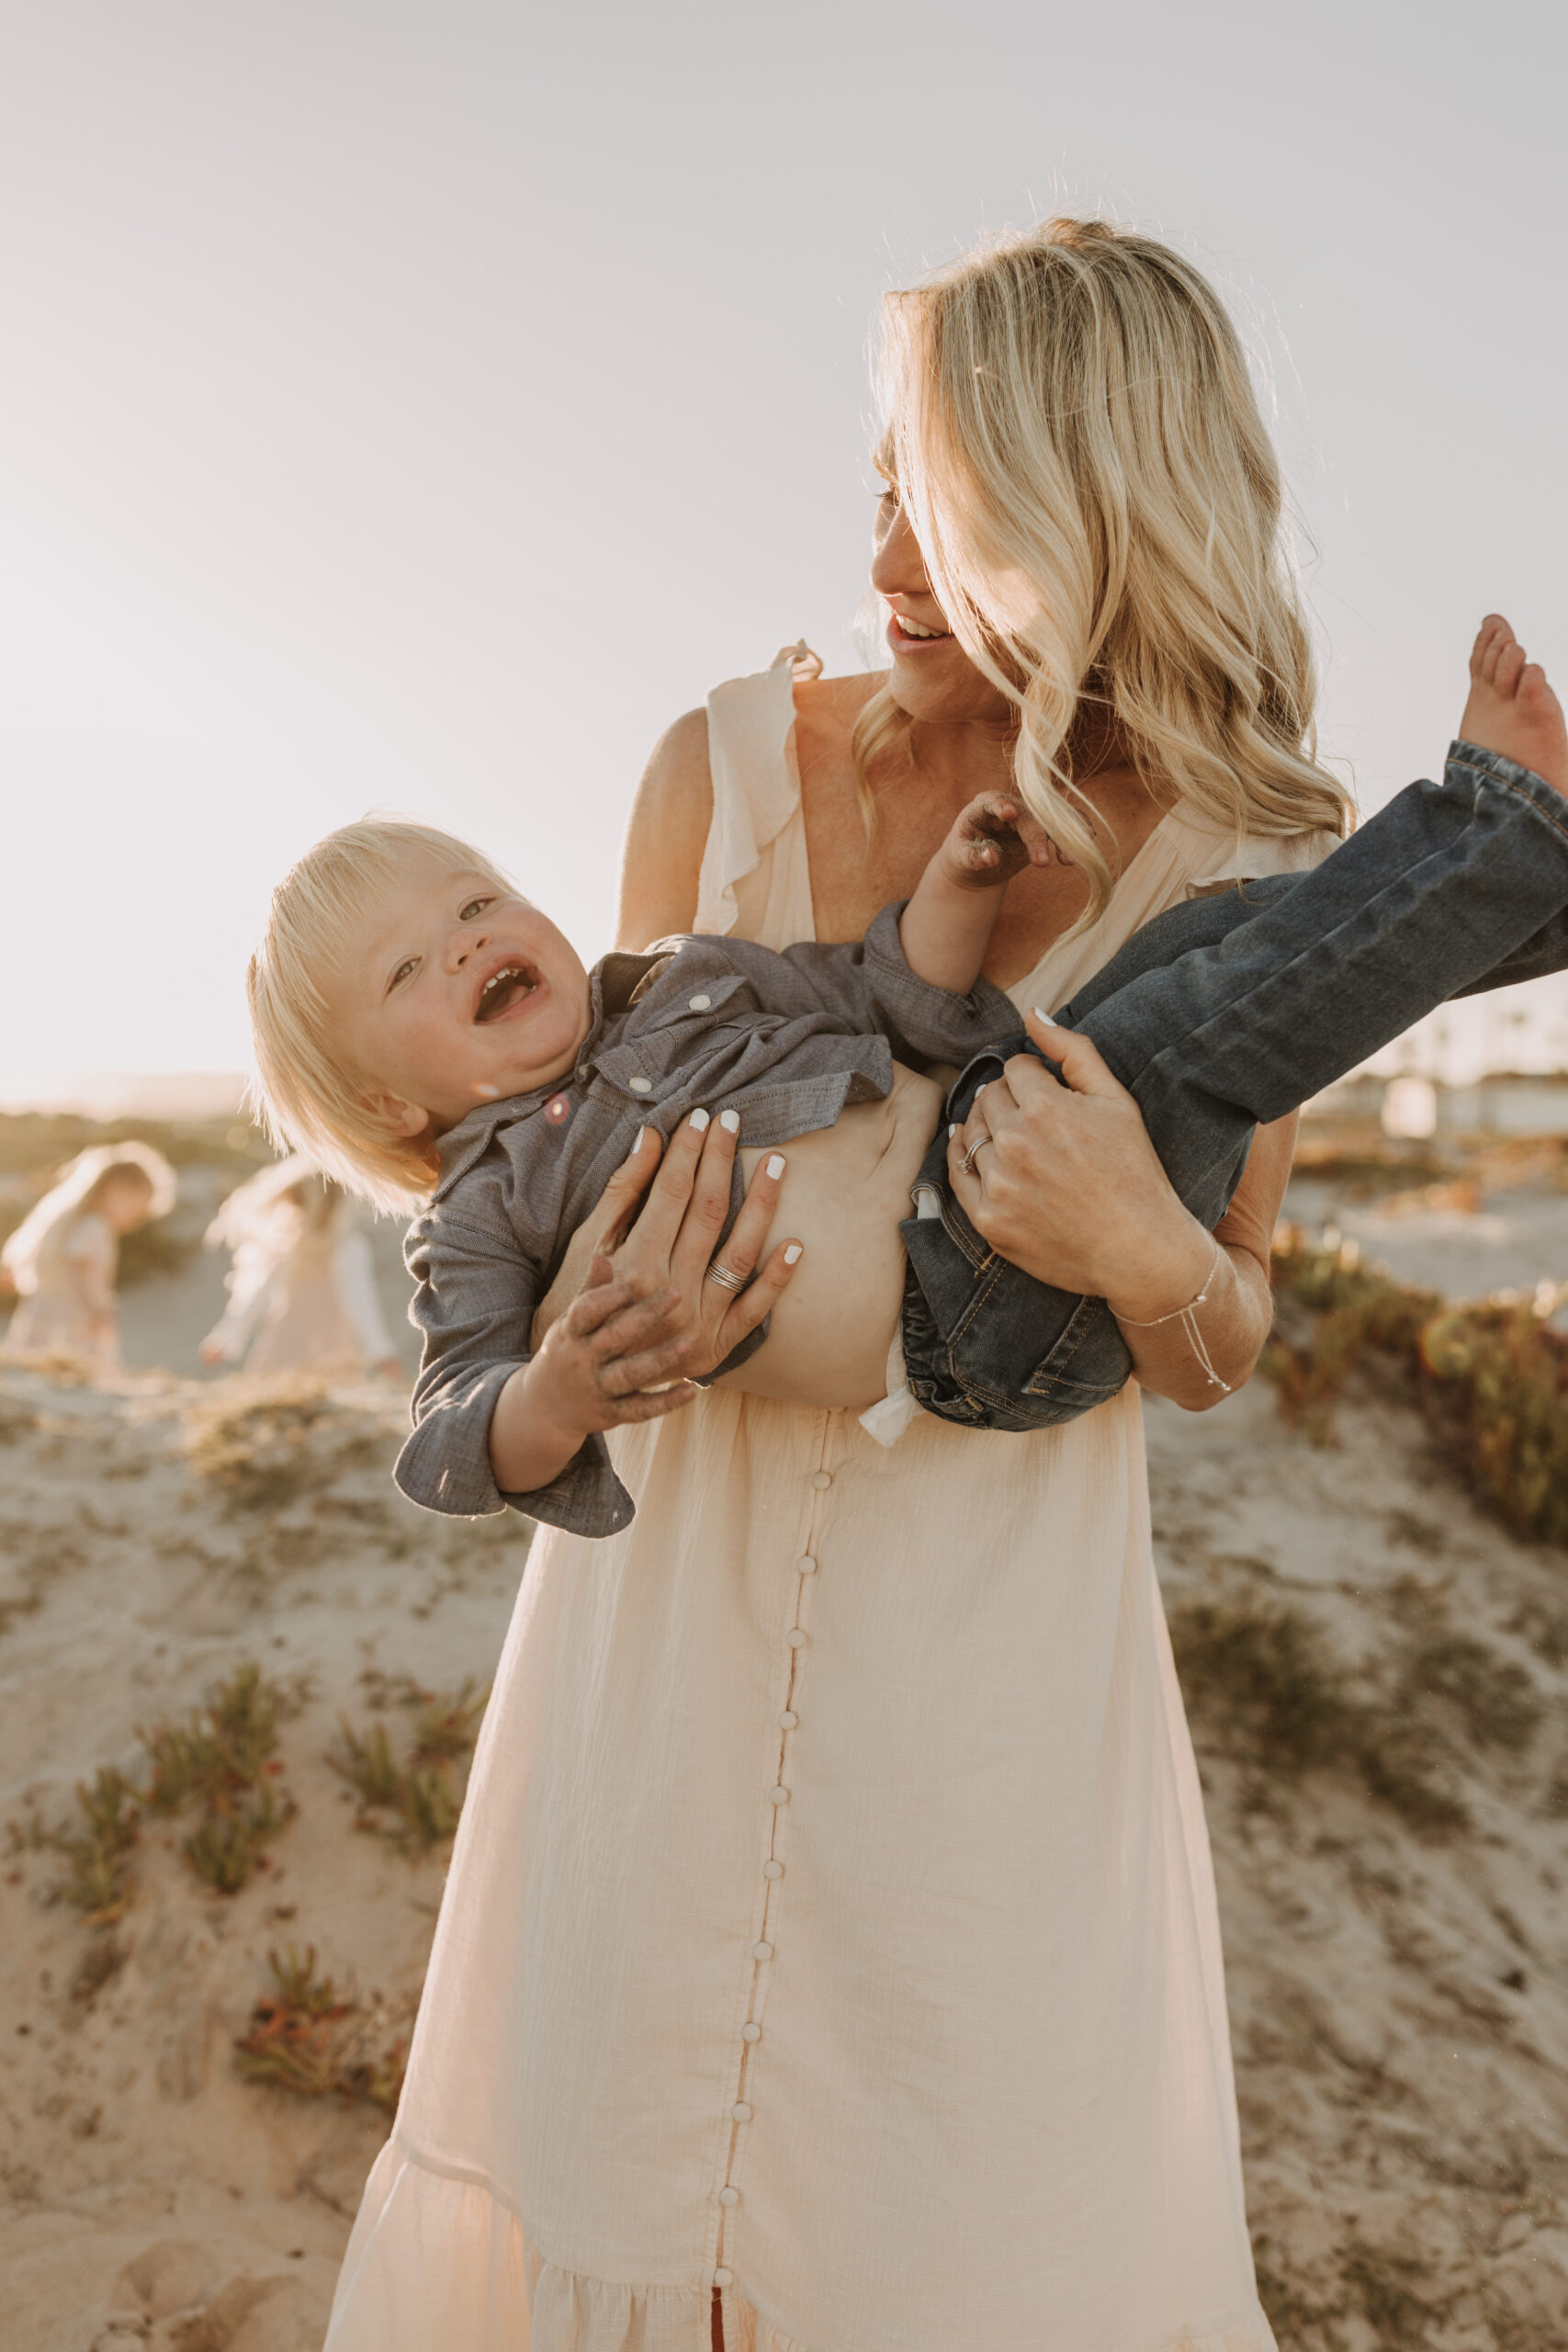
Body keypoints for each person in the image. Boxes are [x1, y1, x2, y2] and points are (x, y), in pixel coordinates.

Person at [321, 219, 1551, 2352]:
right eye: (879, 472)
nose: (884, 539)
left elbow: (1220, 1334)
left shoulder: (1249, 863)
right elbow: (576, 1146)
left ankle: (1511, 861)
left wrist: (1145, 1248)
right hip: (659, 1640)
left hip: (984, 1674)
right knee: (630, 2211)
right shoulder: (706, 765)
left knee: (943, 2249)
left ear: (1089, 501)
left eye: (943, 492)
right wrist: (600, 1327)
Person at [250, 623, 1566, 1541]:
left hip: (997, 1151)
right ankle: (1499, 825)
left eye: (476, 899)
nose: (469, 939)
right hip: (969, 1323)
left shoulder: (675, 983)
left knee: (1201, 951)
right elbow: (442, 1432)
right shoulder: (483, 1209)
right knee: (1194, 1021)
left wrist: (953, 887)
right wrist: (555, 1394)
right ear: (383, 1105)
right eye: (410, 969)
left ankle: (1535, 875)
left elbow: (887, 995)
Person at [199, 1156, 401, 1378]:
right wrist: (380, 1351)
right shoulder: (321, 1248)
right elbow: (361, 1302)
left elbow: (254, 1297)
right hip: (320, 1344)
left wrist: (224, 1340)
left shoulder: (326, 1249)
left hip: (295, 1343)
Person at [0, 1142, 175, 1374]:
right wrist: (98, 1308)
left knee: (34, 1372)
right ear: (116, 1190)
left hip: (42, 1311)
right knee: (80, 1373)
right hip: (74, 1319)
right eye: (138, 1207)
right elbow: (85, 1266)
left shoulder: (70, 1223)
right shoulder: (95, 1228)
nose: (137, 1219)